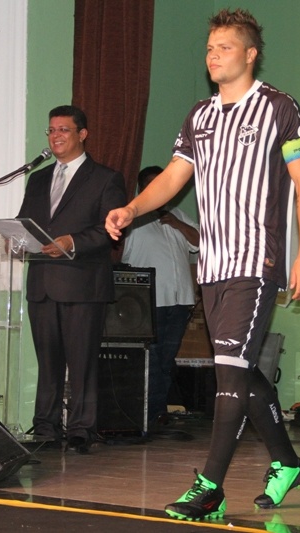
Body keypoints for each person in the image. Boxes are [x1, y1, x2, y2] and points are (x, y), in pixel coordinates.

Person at [105, 9, 300, 520]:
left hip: (256, 261)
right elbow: (173, 177)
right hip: (213, 265)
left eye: (224, 47)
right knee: (237, 370)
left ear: (250, 54)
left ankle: (210, 487)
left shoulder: (279, 108)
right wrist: (133, 209)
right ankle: (288, 463)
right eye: (209, 48)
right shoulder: (199, 117)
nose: (213, 56)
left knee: (230, 376)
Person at [18, 105, 126, 454]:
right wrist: (14, 239)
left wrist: (73, 242)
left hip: (83, 284)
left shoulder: (105, 178)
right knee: (47, 363)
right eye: (51, 130)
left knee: (82, 362)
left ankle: (82, 429)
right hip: (42, 284)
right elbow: (26, 223)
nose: (56, 136)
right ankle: (46, 428)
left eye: (63, 129)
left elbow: (109, 230)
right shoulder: (37, 179)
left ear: (82, 134)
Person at [120, 165, 199, 426]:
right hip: (148, 303)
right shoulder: (134, 218)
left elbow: (201, 242)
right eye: (151, 185)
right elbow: (119, 256)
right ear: (142, 189)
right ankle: (144, 415)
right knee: (149, 362)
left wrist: (178, 224)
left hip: (180, 301)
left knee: (167, 360)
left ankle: (158, 412)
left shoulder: (177, 214)